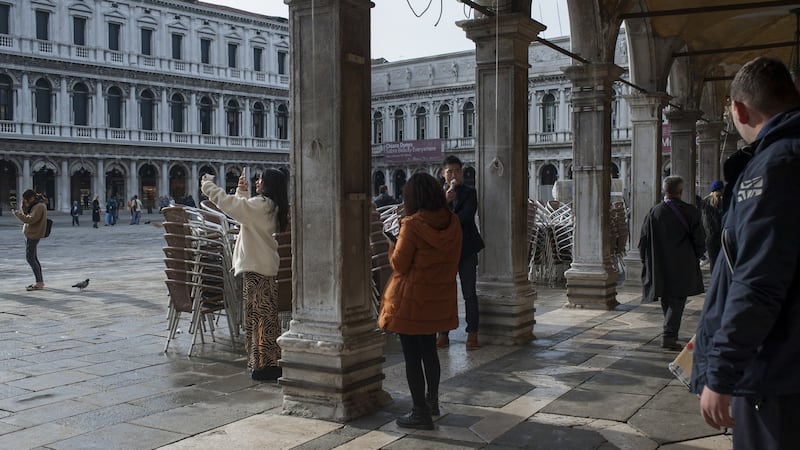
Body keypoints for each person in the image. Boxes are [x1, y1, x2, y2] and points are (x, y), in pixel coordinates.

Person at [691, 57, 800, 449]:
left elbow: (757, 280)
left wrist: (721, 372)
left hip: (775, 371)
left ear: (738, 110)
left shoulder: (774, 166)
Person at [378, 172, 462, 430]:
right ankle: (432, 402)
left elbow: (399, 264)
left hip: (411, 301)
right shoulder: (453, 222)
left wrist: (392, 244)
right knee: (430, 352)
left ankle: (419, 412)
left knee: (412, 357)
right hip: (438, 297)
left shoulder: (412, 225)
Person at [201, 169, 289, 381]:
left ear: (268, 184)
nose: (257, 181)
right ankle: (265, 362)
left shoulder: (262, 205)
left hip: (257, 267)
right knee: (262, 316)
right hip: (262, 265)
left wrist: (208, 187)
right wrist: (242, 191)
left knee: (260, 317)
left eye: (261, 179)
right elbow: (245, 215)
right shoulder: (268, 206)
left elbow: (234, 208)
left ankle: (264, 365)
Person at [638, 175, 705, 350]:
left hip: (660, 263)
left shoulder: (654, 212)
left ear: (664, 191)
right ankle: (669, 335)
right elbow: (700, 239)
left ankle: (669, 331)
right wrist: (696, 256)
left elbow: (643, 240)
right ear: (681, 191)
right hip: (682, 263)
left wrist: (646, 261)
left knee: (668, 297)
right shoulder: (690, 211)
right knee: (677, 299)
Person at [437, 155, 484, 350]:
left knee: (469, 292)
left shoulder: (470, 192)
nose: (454, 175)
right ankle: (443, 332)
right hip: (445, 251)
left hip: (466, 248)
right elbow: (434, 219)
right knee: (444, 293)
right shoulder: (437, 196)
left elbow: (463, 218)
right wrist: (445, 201)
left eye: (457, 171)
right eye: (450, 171)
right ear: (443, 174)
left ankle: (472, 333)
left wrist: (448, 207)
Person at [11, 189, 48, 291]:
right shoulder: (36, 205)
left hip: (33, 235)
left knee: (30, 258)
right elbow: (28, 215)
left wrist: (17, 214)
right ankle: (40, 281)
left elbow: (30, 219)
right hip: (31, 234)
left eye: (27, 199)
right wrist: (23, 206)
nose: (27, 201)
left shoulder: (39, 206)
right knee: (34, 258)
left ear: (32, 197)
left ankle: (39, 283)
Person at [700, 180, 724, 270]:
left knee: (714, 263)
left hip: (710, 238)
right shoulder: (720, 202)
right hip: (719, 237)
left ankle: (714, 282)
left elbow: (705, 223)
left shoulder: (704, 202)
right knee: (720, 263)